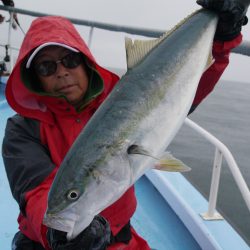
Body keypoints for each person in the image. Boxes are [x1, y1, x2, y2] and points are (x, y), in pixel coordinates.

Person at [2, 0, 248, 249]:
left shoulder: (118, 100)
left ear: (85, 62)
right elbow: (37, 191)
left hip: (120, 239)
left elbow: (182, 93)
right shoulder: (22, 129)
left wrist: (222, 39)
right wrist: (55, 233)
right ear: (35, 77)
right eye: (47, 67)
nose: (62, 72)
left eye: (70, 60)